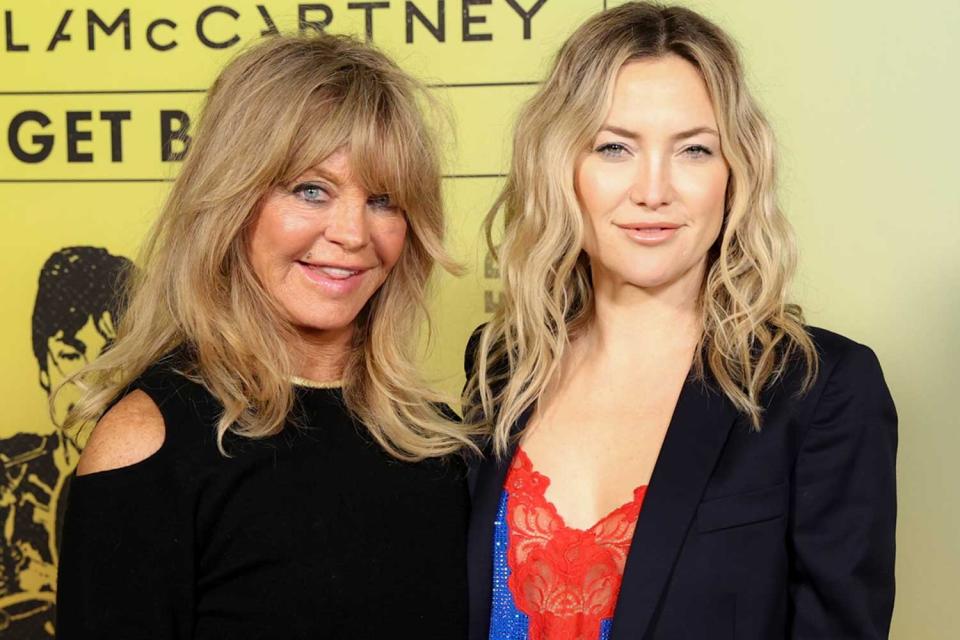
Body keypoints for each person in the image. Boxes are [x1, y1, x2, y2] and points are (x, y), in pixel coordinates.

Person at [462, 3, 897, 639]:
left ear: (735, 174)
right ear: (561, 168)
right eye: (614, 147)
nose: (653, 190)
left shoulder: (820, 388)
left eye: (694, 149)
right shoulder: (501, 364)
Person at [55, 32, 475, 639]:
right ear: (232, 200)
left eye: (384, 199)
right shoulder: (147, 443)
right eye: (312, 190)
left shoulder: (438, 444)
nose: (353, 234)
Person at [0, 246, 131, 638]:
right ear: (43, 365)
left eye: (112, 354)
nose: (91, 379)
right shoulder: (8, 478)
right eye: (70, 353)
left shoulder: (181, 474)